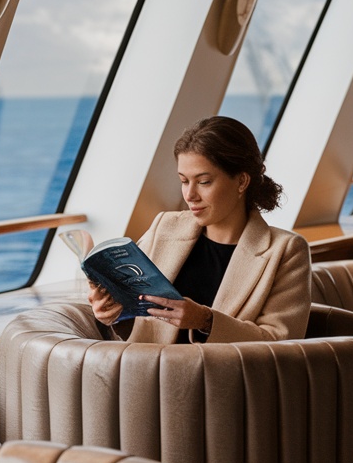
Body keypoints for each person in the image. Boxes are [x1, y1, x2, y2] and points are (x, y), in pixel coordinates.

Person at [88, 116, 312, 344]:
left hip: (225, 379)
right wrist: (114, 313)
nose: (189, 195)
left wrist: (205, 320)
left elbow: (282, 344)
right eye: (184, 181)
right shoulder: (165, 227)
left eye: (203, 182)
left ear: (242, 181)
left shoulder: (285, 251)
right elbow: (140, 324)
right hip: (150, 373)